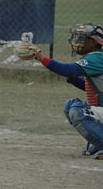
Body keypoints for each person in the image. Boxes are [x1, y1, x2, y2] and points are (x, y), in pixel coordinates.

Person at [34, 23, 103, 160]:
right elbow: (94, 90)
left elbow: (67, 69)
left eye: (82, 39)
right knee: (70, 105)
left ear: (94, 42)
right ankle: (99, 141)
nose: (77, 42)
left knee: (78, 111)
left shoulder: (97, 57)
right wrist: (73, 79)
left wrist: (41, 58)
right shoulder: (96, 56)